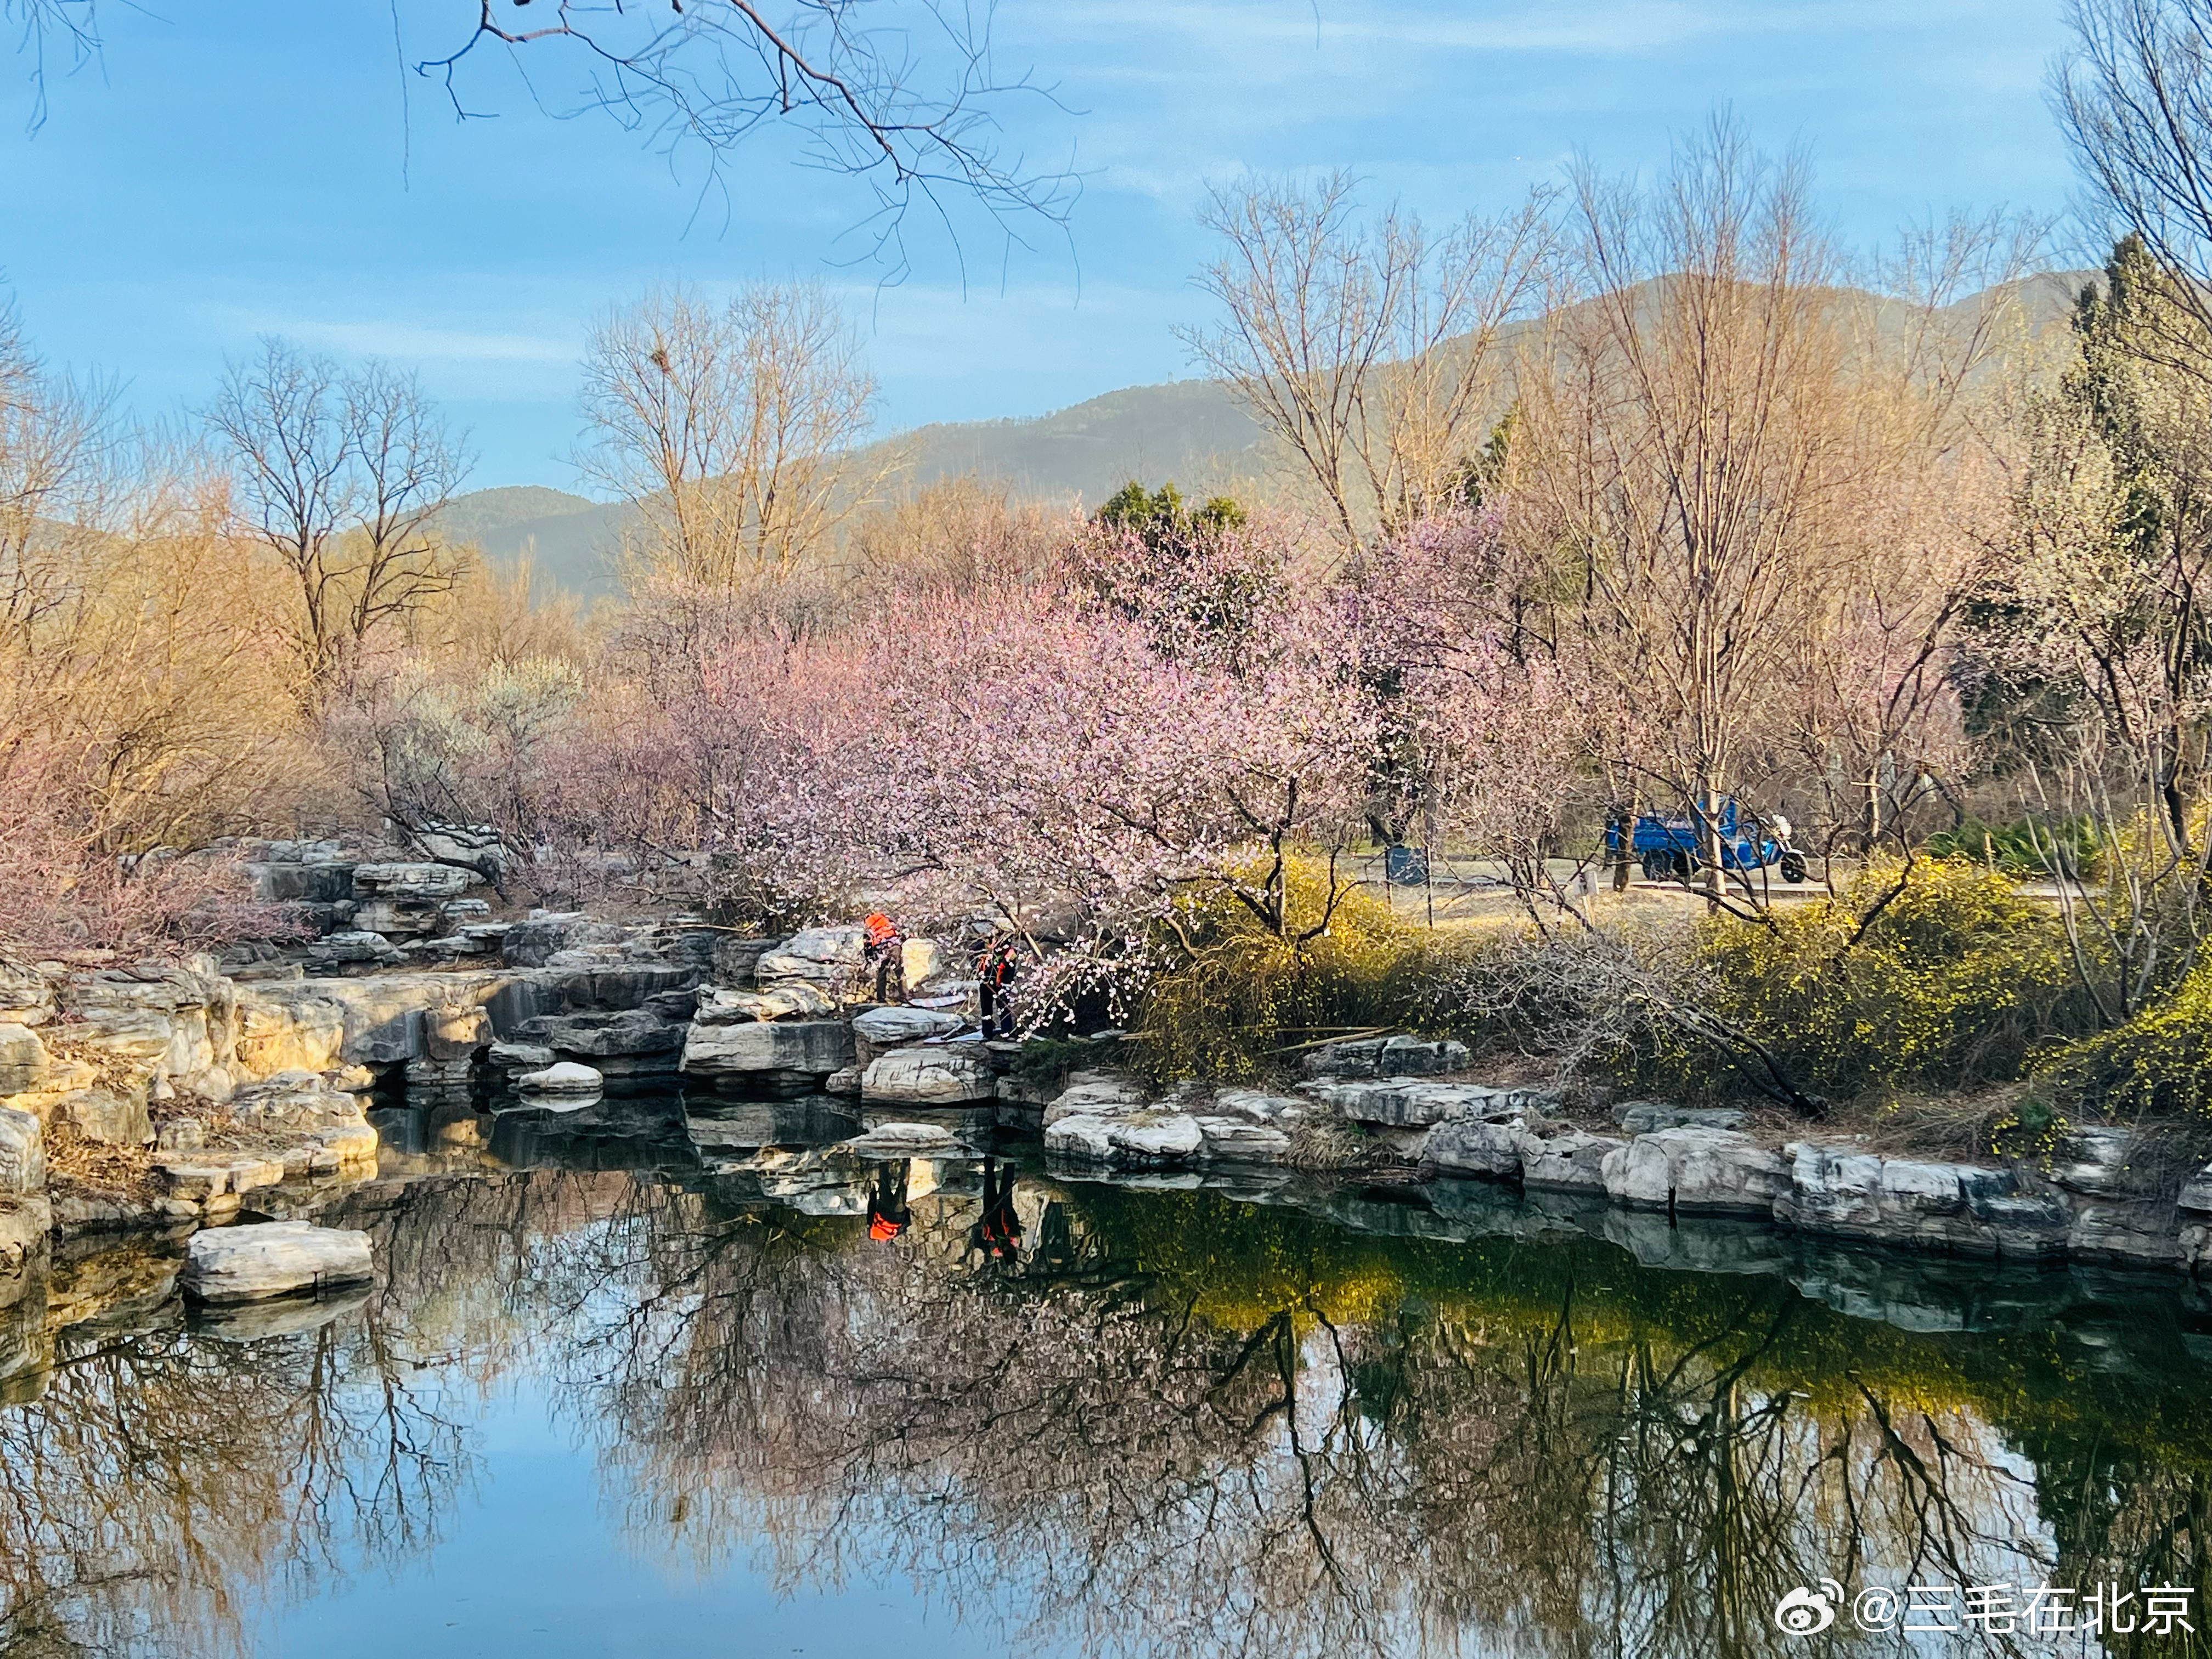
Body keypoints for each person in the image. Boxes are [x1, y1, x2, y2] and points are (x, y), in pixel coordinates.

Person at [975, 929, 1020, 1039]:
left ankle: (1007, 1033)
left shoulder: (1011, 954)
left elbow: (1010, 972)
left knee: (1004, 1009)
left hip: (1002, 985)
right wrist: (978, 972)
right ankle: (987, 1034)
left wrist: (1005, 985)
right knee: (986, 1010)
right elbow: (973, 954)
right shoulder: (986, 948)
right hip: (985, 983)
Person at [862, 910, 905, 1004]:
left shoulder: (869, 925)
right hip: (895, 946)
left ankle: (881, 998)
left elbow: (868, 942)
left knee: (882, 973)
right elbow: (897, 929)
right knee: (899, 971)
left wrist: (870, 957)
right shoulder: (885, 919)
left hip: (881, 948)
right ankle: (903, 996)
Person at [867, 1163, 911, 1242]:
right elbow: (871, 1208)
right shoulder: (872, 1228)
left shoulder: (893, 1234)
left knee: (903, 1186)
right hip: (884, 1209)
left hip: (897, 1216)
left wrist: (906, 1210)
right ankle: (884, 1162)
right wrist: (873, 1192)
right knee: (884, 1183)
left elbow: (907, 1222)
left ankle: (906, 1161)